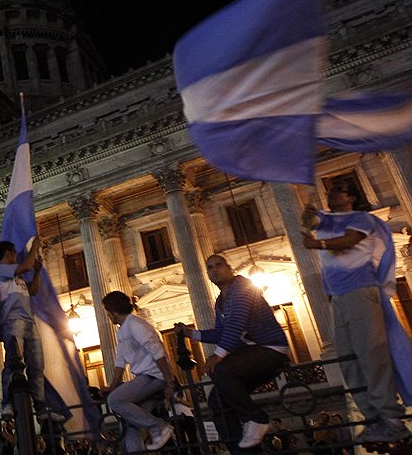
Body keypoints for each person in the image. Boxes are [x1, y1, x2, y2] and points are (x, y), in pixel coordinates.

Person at [302, 182, 410, 443]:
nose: (330, 192)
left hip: (361, 291)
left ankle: (392, 419)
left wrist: (318, 245)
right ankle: (372, 419)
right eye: (329, 190)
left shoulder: (362, 219)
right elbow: (308, 221)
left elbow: (350, 240)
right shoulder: (326, 220)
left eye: (337, 189)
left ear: (351, 197)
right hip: (338, 298)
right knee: (348, 360)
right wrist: (305, 202)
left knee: (372, 355)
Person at [175, 255, 290, 451]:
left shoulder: (242, 287)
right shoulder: (220, 301)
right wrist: (191, 333)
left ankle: (256, 418)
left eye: (219, 265)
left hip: (271, 350)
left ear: (229, 267)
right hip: (250, 354)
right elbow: (222, 332)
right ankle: (243, 450)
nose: (215, 270)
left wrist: (218, 355)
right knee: (217, 402)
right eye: (210, 267)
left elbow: (237, 321)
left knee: (221, 371)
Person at [101, 291, 176, 452]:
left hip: (153, 377)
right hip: (146, 377)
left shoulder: (135, 325)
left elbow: (158, 352)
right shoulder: (122, 331)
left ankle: (158, 426)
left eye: (107, 311)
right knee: (130, 420)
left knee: (115, 401)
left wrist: (169, 381)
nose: (107, 316)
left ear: (114, 311)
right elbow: (120, 363)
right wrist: (112, 385)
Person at [0, 237, 46, 416]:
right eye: (15, 252)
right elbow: (25, 266)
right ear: (8, 253)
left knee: (36, 365)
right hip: (12, 321)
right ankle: (7, 403)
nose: (17, 256)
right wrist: (34, 247)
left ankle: (40, 404)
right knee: (14, 364)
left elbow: (33, 291)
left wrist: (37, 273)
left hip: (29, 321)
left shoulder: (18, 277)